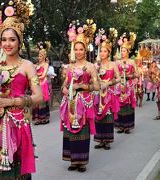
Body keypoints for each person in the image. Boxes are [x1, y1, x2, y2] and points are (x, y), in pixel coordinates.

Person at [0, 1, 42, 179]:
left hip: (19, 123)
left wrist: (12, 101)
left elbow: (39, 96)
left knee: (18, 168)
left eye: (12, 39)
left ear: (19, 41)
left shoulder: (27, 66)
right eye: (4, 39)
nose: (8, 44)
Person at [60, 19, 98, 172]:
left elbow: (96, 86)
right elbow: (65, 83)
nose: (78, 52)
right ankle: (72, 159)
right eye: (76, 49)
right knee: (69, 130)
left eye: (81, 49)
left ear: (85, 50)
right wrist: (64, 88)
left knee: (82, 131)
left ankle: (81, 161)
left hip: (84, 102)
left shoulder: (90, 67)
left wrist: (82, 86)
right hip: (70, 102)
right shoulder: (69, 66)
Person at [93, 28, 121, 150]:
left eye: (105, 51)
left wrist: (109, 83)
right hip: (98, 93)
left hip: (109, 94)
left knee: (108, 117)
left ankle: (107, 140)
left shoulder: (113, 65)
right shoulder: (97, 65)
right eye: (101, 51)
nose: (102, 53)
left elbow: (119, 78)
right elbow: (92, 78)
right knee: (98, 116)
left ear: (109, 52)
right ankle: (100, 140)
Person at [115, 32, 138, 134]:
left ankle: (127, 126)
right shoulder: (117, 62)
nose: (122, 52)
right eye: (121, 50)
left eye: (124, 51)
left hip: (129, 85)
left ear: (128, 51)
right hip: (119, 85)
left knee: (128, 105)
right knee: (119, 104)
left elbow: (137, 74)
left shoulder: (131, 62)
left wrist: (130, 76)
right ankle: (120, 126)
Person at [32, 41, 50, 125]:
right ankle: (37, 118)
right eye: (38, 56)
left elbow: (43, 76)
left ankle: (44, 118)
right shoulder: (36, 65)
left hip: (42, 83)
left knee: (42, 101)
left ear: (44, 56)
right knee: (36, 102)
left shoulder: (46, 65)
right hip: (36, 84)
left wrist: (35, 78)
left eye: (40, 56)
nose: (39, 57)